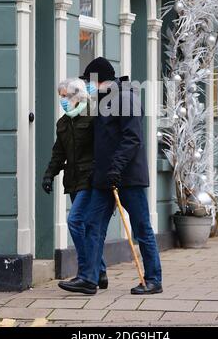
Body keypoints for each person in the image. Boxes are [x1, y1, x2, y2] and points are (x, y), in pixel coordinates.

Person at [58, 58, 162, 295]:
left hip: (129, 177)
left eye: (90, 81)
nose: (87, 85)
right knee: (92, 225)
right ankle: (88, 278)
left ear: (100, 79)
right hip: (104, 178)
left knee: (142, 228)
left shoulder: (126, 99)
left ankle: (154, 279)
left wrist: (116, 168)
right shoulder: (102, 100)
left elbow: (132, 139)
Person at [42, 77, 108, 292]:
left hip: (89, 179)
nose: (62, 100)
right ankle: (99, 271)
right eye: (60, 96)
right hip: (72, 179)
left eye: (65, 96)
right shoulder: (62, 123)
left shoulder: (91, 117)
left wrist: (99, 175)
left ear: (76, 96)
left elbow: (102, 149)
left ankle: (85, 272)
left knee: (75, 220)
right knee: (84, 224)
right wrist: (49, 174)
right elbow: (58, 152)